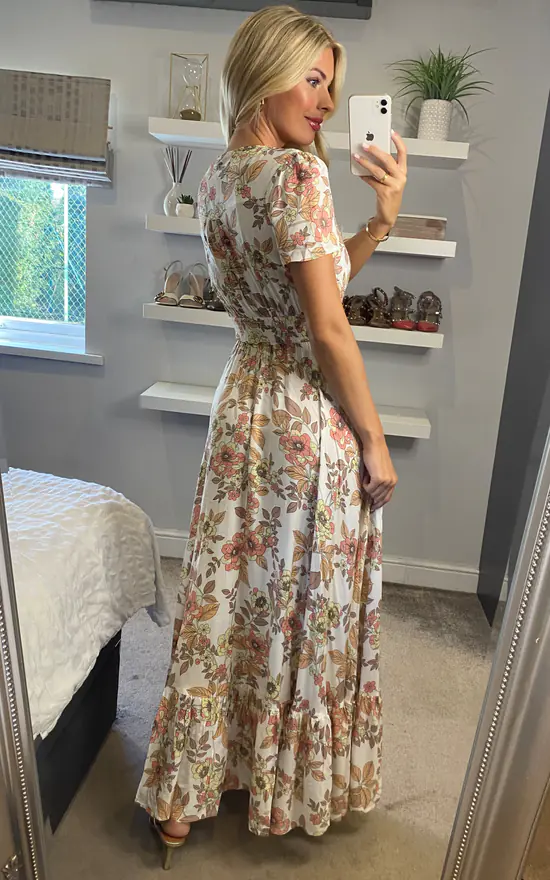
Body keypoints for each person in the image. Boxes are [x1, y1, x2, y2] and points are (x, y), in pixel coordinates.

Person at [136, 4, 406, 865]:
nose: (325, 100)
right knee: (299, 598)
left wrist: (379, 223)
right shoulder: (297, 176)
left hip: (243, 400)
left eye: (332, 85)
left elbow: (311, 284)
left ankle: (182, 797)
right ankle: (282, 780)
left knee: (228, 593)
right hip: (300, 415)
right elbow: (327, 328)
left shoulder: (224, 174)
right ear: (264, 72)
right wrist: (374, 440)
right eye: (313, 79)